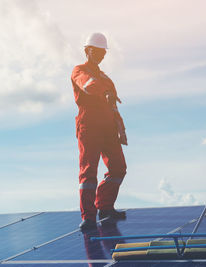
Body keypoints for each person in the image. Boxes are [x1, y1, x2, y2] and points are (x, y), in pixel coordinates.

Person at [71, 33, 128, 230]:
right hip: (89, 127)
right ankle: (88, 216)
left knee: (119, 167)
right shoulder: (80, 70)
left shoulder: (106, 78)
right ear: (87, 51)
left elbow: (113, 105)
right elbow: (87, 85)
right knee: (89, 171)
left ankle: (105, 207)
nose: (101, 55)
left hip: (109, 128)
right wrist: (103, 90)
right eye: (97, 51)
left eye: (103, 52)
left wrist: (120, 127)